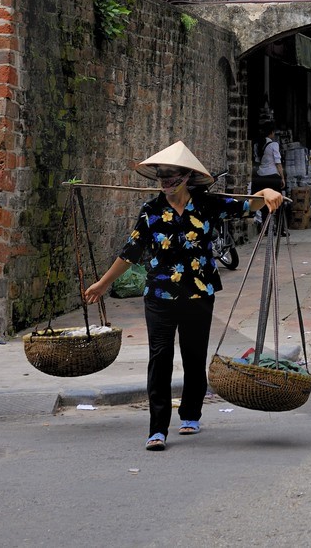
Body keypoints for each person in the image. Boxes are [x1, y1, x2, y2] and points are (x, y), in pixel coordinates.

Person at [83, 141, 285, 453]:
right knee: (160, 359)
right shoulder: (151, 211)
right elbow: (130, 252)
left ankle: (190, 413)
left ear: (186, 177)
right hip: (160, 296)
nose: (165, 182)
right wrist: (103, 284)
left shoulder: (208, 204)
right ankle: (158, 428)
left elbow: (247, 206)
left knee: (193, 357)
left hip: (198, 295)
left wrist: (266, 195)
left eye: (171, 176)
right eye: (161, 177)